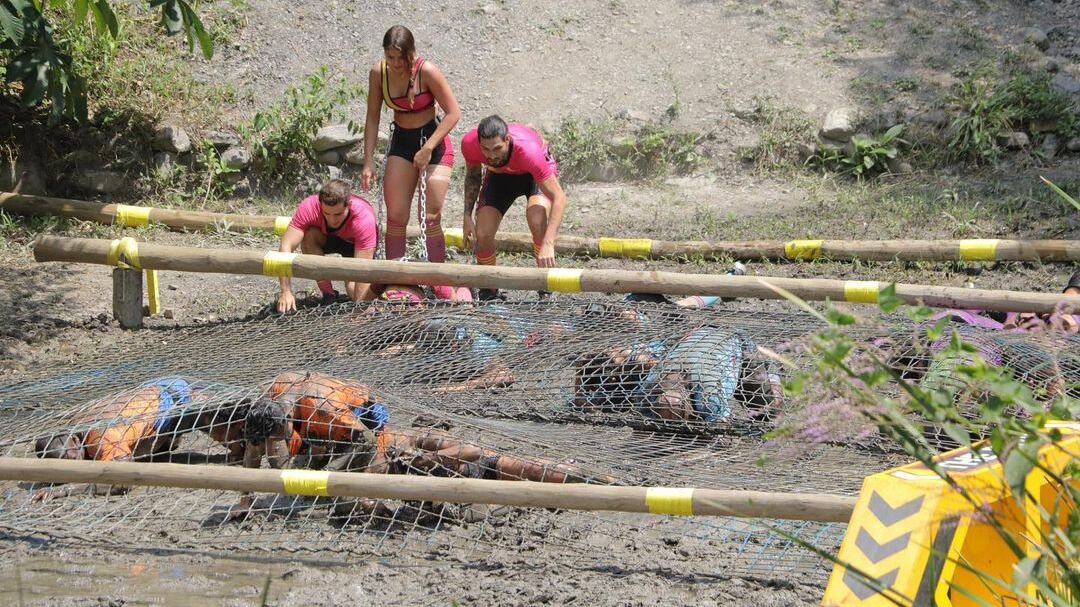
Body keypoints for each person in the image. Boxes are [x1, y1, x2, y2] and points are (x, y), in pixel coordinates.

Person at [32, 377, 250, 500]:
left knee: (241, 444)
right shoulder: (78, 421)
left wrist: (66, 490)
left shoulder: (100, 438)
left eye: (72, 460)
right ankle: (167, 443)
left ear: (75, 441)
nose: (74, 466)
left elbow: (123, 480)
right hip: (161, 388)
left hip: (181, 401)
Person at [361, 25, 461, 264]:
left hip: (433, 141)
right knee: (396, 215)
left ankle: (439, 278)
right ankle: (397, 281)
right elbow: (373, 116)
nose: (396, 63)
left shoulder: (427, 71)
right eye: (390, 57)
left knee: (430, 216)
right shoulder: (379, 73)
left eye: (401, 57)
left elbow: (453, 113)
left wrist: (428, 149)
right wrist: (367, 162)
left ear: (412, 51)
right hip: (402, 142)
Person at [460, 115, 568, 300]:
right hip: (499, 176)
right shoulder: (469, 144)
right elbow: (472, 176)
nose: (492, 155)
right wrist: (467, 215)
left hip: (531, 174)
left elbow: (559, 197)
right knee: (483, 233)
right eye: (485, 149)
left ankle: (546, 286)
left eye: (497, 148)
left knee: (536, 217)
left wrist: (548, 243)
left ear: (507, 140)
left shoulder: (529, 152)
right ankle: (489, 290)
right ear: (478, 143)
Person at [276, 179, 379, 312]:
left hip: (354, 246)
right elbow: (286, 246)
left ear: (348, 205)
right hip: (325, 238)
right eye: (327, 214)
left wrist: (360, 307)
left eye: (338, 214)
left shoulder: (363, 217)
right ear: (320, 205)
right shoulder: (309, 206)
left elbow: (363, 267)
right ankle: (328, 294)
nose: (332, 220)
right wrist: (285, 291)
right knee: (308, 236)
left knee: (357, 296)